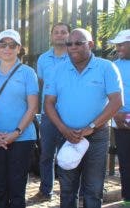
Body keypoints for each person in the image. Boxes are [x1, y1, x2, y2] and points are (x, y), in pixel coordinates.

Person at [44, 28, 123, 208]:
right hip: (66, 136)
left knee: (93, 190)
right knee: (67, 189)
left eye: (78, 43)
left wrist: (92, 127)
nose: (72, 47)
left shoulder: (106, 67)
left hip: (96, 136)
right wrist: (64, 129)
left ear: (91, 44)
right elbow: (48, 103)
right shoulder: (57, 70)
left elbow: (116, 102)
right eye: (69, 44)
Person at [0, 29, 39, 208]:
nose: (7, 48)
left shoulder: (28, 73)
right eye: (3, 44)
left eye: (12, 45)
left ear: (19, 48)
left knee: (17, 190)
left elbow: (33, 107)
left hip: (22, 138)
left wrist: (16, 133)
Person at [33, 22, 70, 201]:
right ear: (51, 36)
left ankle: (67, 191)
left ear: (69, 35)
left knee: (67, 155)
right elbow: (41, 82)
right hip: (48, 115)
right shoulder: (42, 59)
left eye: (63, 32)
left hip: (69, 115)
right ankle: (46, 190)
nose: (60, 35)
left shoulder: (74, 57)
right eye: (56, 32)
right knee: (46, 154)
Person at [108, 29, 130, 207]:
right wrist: (115, 113)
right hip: (121, 122)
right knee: (125, 161)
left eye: (122, 44)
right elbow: (106, 94)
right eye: (117, 44)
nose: (118, 47)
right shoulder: (113, 66)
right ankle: (128, 199)